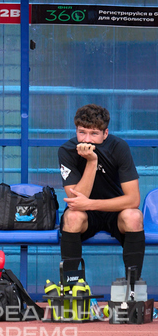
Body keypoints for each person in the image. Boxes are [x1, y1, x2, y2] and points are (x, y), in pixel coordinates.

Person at [59, 104, 144, 280]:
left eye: (94, 134)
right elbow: (75, 200)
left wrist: (90, 204)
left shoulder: (119, 147)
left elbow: (133, 199)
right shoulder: (67, 150)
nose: (87, 140)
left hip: (115, 211)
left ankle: (133, 286)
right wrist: (91, 162)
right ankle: (70, 286)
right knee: (72, 217)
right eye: (82, 132)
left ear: (105, 133)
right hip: (85, 215)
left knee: (134, 216)